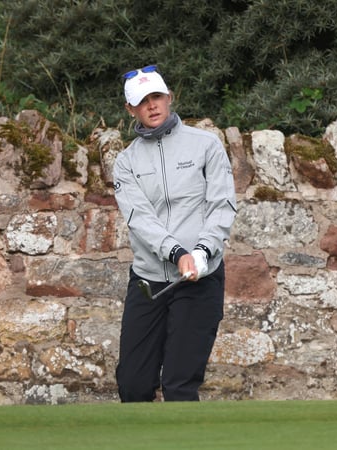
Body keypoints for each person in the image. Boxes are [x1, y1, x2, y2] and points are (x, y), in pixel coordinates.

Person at [111, 65, 237, 402]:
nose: (152, 105)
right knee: (133, 386)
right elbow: (140, 220)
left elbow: (222, 205)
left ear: (169, 97)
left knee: (180, 385)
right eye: (142, 101)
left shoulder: (206, 145)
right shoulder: (126, 162)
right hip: (149, 280)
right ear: (130, 109)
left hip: (199, 278)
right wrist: (177, 253)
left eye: (156, 97)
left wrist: (201, 252)